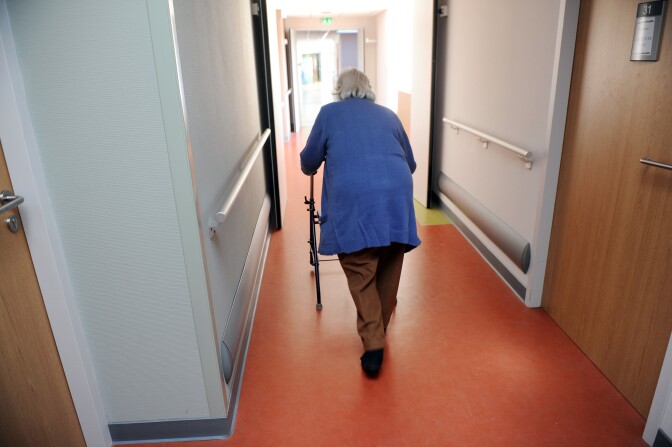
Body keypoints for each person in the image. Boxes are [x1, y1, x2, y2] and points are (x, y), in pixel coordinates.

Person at [300, 68, 420, 377]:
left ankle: (373, 346)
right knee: (389, 265)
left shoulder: (328, 114)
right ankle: (378, 330)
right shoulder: (389, 115)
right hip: (396, 200)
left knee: (360, 270)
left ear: (339, 89)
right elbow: (411, 163)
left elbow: (308, 162)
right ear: (368, 89)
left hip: (355, 204)